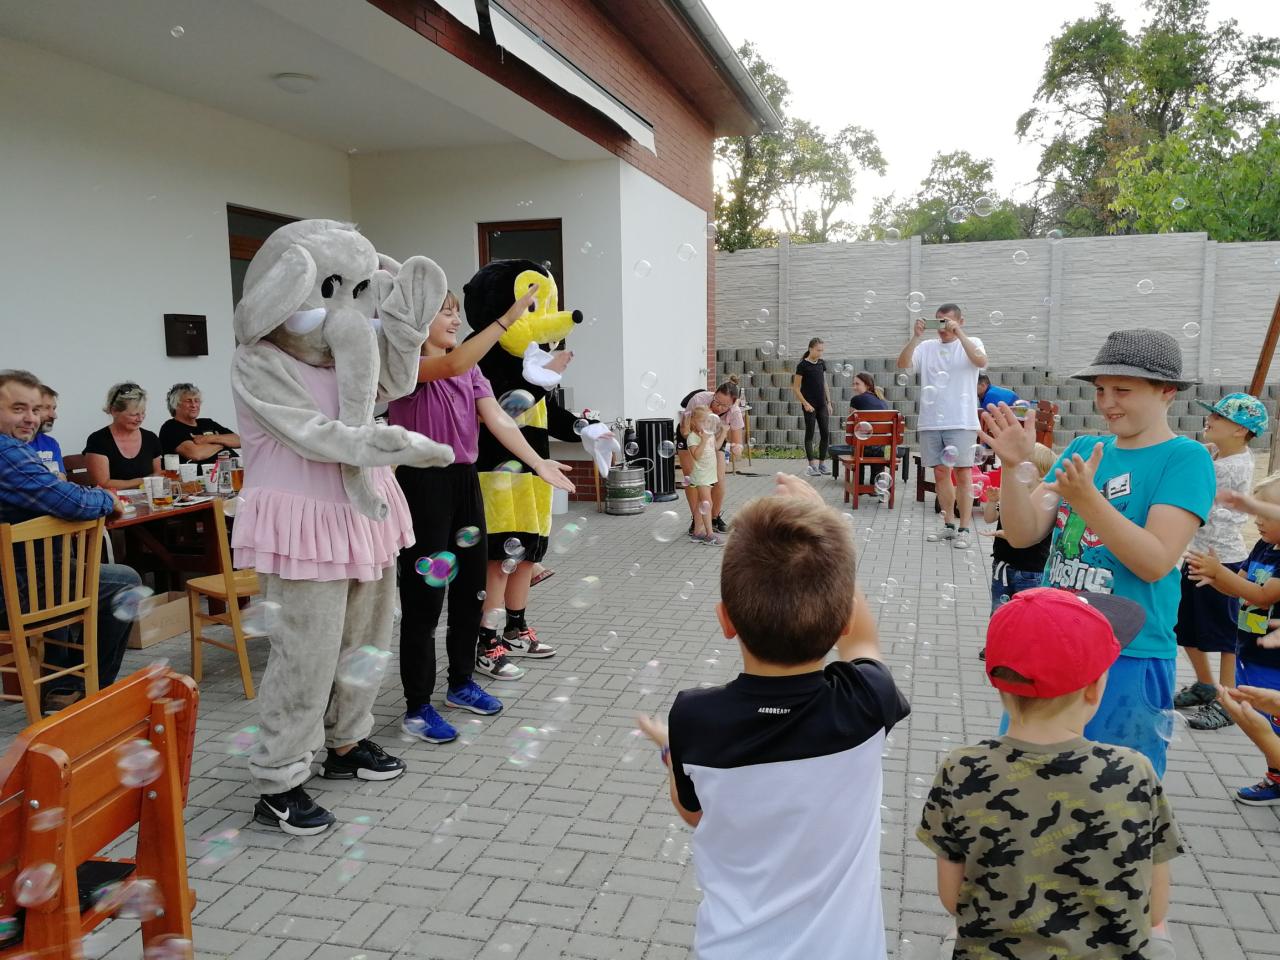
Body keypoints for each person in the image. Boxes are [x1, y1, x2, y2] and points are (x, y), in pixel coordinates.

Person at [636, 475, 909, 959]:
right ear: (844, 618)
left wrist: (672, 754)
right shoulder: (865, 701)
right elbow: (864, 642)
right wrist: (830, 528)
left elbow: (695, 814)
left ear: (725, 620)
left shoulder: (694, 718)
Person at [982, 328, 1214, 777]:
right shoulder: (1087, 448)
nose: (1107, 403)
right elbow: (1023, 533)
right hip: (1051, 644)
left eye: (1122, 390)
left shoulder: (1185, 458)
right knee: (1027, 783)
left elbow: (1154, 561)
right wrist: (1012, 467)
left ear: (1167, 391)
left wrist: (1088, 500)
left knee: (1114, 789)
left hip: (1128, 654)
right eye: (1101, 390)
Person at [919, 588, 1180, 960]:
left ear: (999, 681)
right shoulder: (1133, 771)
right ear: (1094, 689)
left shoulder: (961, 769)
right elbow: (1154, 911)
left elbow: (952, 898)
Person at [388, 287, 573, 740]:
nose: (455, 321)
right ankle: (417, 706)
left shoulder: (470, 371)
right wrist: (506, 319)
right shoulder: (404, 367)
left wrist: (539, 462)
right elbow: (450, 364)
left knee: (472, 592)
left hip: (465, 482)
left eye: (456, 313)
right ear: (418, 321)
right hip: (422, 484)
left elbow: (500, 419)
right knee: (424, 602)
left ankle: (460, 684)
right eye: (445, 313)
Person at [0, 369, 141, 713]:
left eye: (35, 409)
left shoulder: (19, 449)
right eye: (18, 409)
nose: (31, 418)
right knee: (124, 582)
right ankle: (84, 692)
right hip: (15, 591)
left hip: (25, 577)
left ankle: (62, 685)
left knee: (70, 573)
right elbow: (72, 501)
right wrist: (108, 499)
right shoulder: (7, 453)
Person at [1173, 393, 1266, 731]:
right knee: (1185, 627)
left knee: (1225, 635)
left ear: (1240, 431)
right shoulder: (1221, 453)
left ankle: (1227, 701)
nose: (1209, 420)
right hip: (1198, 554)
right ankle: (1205, 684)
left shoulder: (1231, 466)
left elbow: (1196, 492)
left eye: (1218, 417)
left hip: (1222, 561)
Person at [1186, 472, 1280, 804]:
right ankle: (1276, 775)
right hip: (1251, 651)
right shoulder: (1264, 547)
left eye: (1266, 514)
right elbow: (1239, 587)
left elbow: (1263, 596)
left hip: (1274, 661)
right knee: (1259, 720)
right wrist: (1214, 578)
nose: (1258, 521)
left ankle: (1277, 777)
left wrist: (1220, 572)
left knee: (1269, 722)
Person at [896, 303, 987, 550]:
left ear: (960, 321)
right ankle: (948, 524)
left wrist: (960, 334)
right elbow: (903, 364)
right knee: (939, 473)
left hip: (961, 420)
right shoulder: (926, 347)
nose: (942, 326)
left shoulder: (972, 342)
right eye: (938, 320)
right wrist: (915, 337)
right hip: (931, 421)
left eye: (947, 321)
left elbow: (980, 360)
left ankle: (965, 528)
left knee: (963, 473)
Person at [982, 442, 1056, 613]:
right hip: (1002, 567)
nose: (1018, 468)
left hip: (1031, 571)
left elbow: (1032, 535)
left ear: (1042, 474)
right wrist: (992, 502)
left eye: (1025, 465)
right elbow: (989, 518)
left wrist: (1006, 533)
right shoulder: (1011, 496)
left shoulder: (1045, 502)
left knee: (1027, 616)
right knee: (1000, 614)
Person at [677, 378, 744, 533]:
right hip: (692, 436)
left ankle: (714, 517)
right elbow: (684, 429)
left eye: (724, 406)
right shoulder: (699, 400)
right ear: (714, 394)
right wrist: (698, 441)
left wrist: (737, 449)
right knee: (693, 480)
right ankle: (697, 521)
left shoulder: (735, 412)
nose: (718, 407)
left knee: (718, 479)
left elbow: (737, 442)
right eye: (716, 401)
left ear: (732, 404)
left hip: (716, 437)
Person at [84, 382, 162, 490]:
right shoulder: (98, 440)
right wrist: (144, 481)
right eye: (134, 414)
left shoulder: (151, 438)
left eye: (143, 413)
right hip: (113, 499)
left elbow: (158, 477)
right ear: (114, 411)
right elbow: (102, 484)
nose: (140, 419)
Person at [158, 383, 240, 465]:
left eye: (196, 400)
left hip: (235, 468)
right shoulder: (170, 427)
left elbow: (239, 441)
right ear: (175, 405)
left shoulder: (207, 422)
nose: (194, 405)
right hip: (204, 472)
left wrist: (208, 439)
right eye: (188, 401)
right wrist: (223, 443)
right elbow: (196, 454)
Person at [681, 406, 728, 545]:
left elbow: (716, 447)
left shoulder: (709, 435)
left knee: (700, 504)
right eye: (703, 421)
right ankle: (709, 534)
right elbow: (696, 455)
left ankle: (697, 533)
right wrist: (703, 440)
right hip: (700, 475)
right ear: (694, 422)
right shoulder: (692, 437)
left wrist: (724, 433)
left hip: (708, 473)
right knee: (707, 502)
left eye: (708, 421)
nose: (706, 424)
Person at [792, 338, 832, 476]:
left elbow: (824, 383)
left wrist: (829, 402)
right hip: (809, 405)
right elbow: (796, 388)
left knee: (825, 433)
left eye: (822, 350)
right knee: (810, 434)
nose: (820, 353)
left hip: (822, 404)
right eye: (818, 350)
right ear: (810, 349)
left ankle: (822, 464)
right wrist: (805, 403)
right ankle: (812, 465)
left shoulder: (821, 363)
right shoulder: (802, 365)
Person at [849, 372, 891, 501]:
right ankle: (876, 486)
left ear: (867, 385)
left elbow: (852, 424)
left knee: (859, 444)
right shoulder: (882, 401)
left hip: (863, 449)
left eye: (857, 384)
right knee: (876, 445)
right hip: (883, 450)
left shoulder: (856, 400)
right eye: (853, 384)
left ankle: (859, 485)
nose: (854, 387)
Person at [29, 383, 65, 477]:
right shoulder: (6, 444)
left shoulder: (50, 443)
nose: (54, 416)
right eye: (46, 408)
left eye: (54, 409)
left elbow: (61, 480)